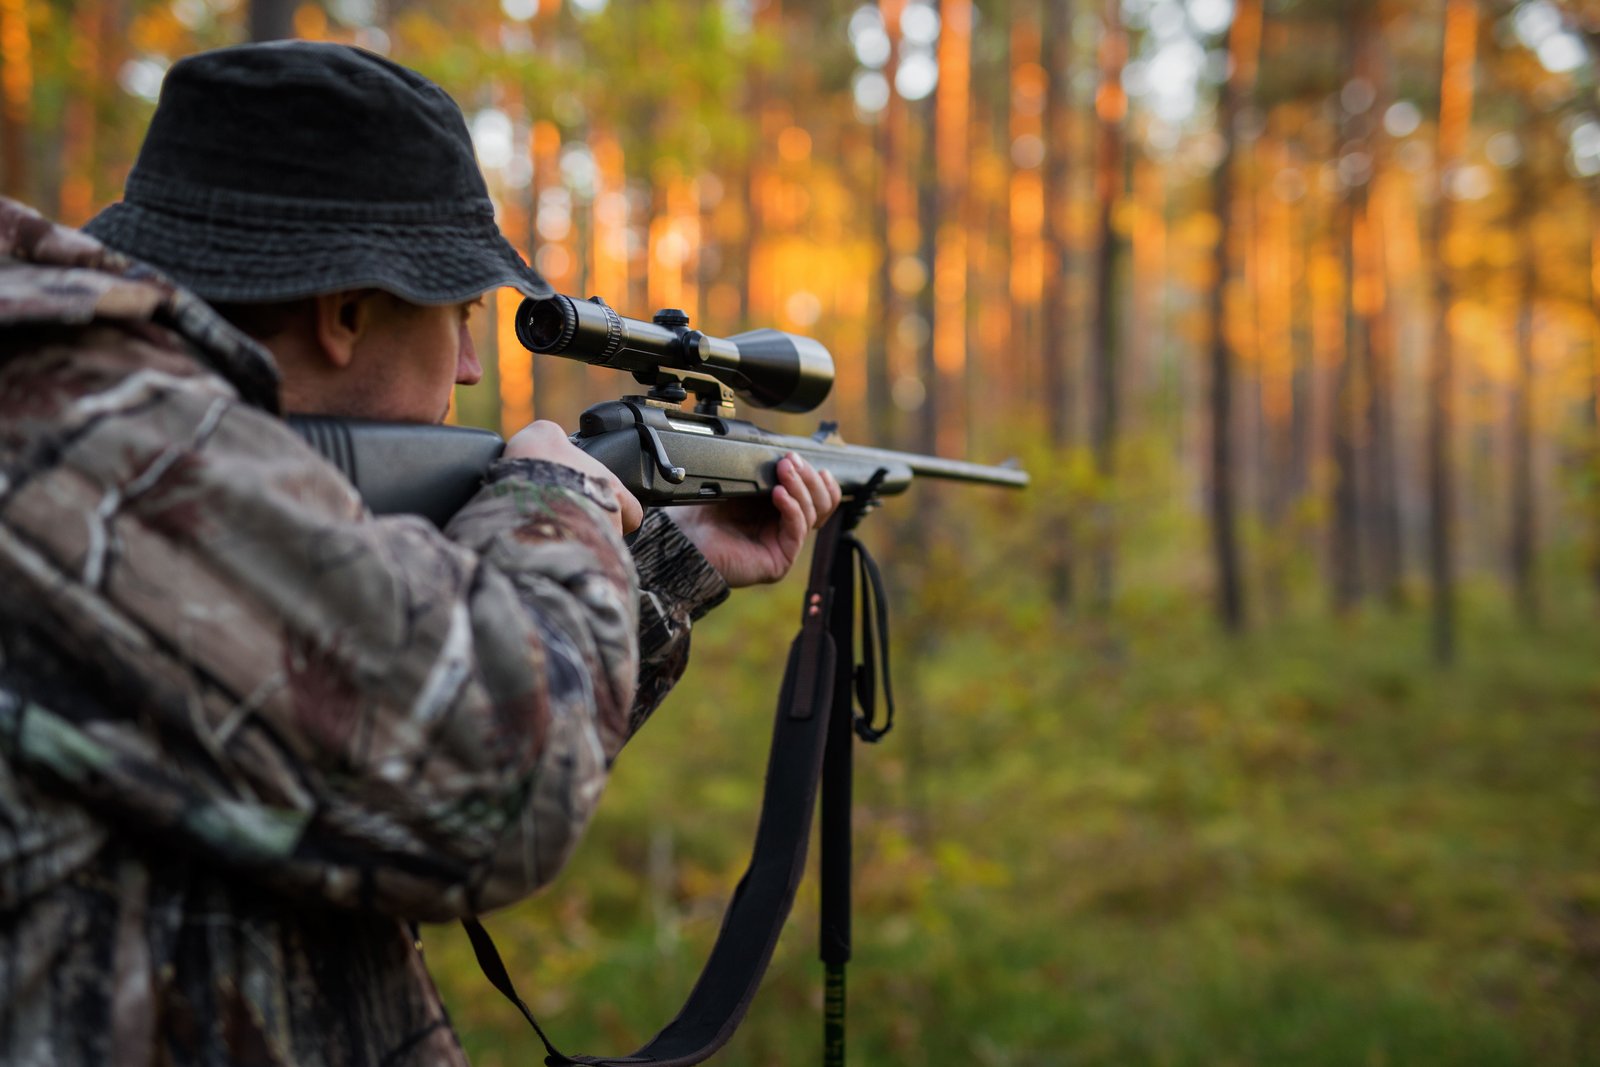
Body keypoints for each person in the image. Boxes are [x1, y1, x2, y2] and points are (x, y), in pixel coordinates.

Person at [0, 40, 840, 1066]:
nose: (476, 367)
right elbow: (496, 789)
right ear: (347, 313)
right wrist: (555, 497)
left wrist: (664, 565)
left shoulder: (101, 436)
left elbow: (377, 771)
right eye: (462, 315)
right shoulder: (89, 445)